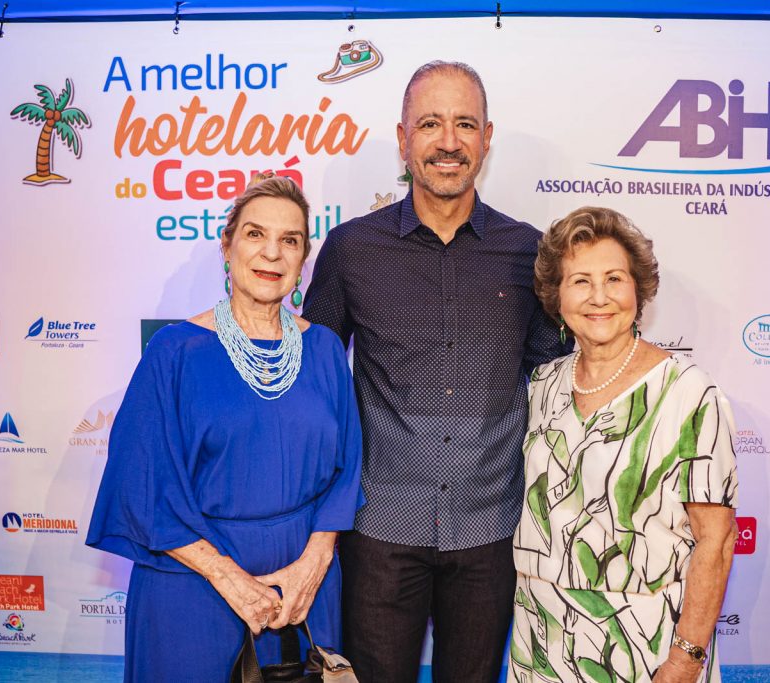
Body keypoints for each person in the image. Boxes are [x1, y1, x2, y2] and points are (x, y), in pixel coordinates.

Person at [302, 61, 572, 682]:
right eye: (430, 124)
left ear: (486, 138)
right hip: (379, 529)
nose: (448, 142)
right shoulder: (351, 249)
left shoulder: (529, 252)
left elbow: (557, 382)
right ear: (403, 139)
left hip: (491, 530)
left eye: (465, 124)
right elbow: (311, 382)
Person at [86, 175, 363, 682]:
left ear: (303, 259)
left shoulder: (325, 350)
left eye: (290, 240)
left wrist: (314, 562)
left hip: (303, 589)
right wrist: (227, 576)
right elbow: (141, 485)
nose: (272, 253)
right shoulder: (174, 352)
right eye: (255, 234)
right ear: (227, 246)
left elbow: (348, 472)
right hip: (192, 586)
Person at [510, 206, 738, 683]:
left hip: (644, 644)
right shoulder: (544, 384)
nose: (599, 297)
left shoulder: (688, 392)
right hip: (540, 640)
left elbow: (715, 541)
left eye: (614, 279)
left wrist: (685, 659)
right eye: (580, 281)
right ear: (556, 296)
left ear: (638, 289)